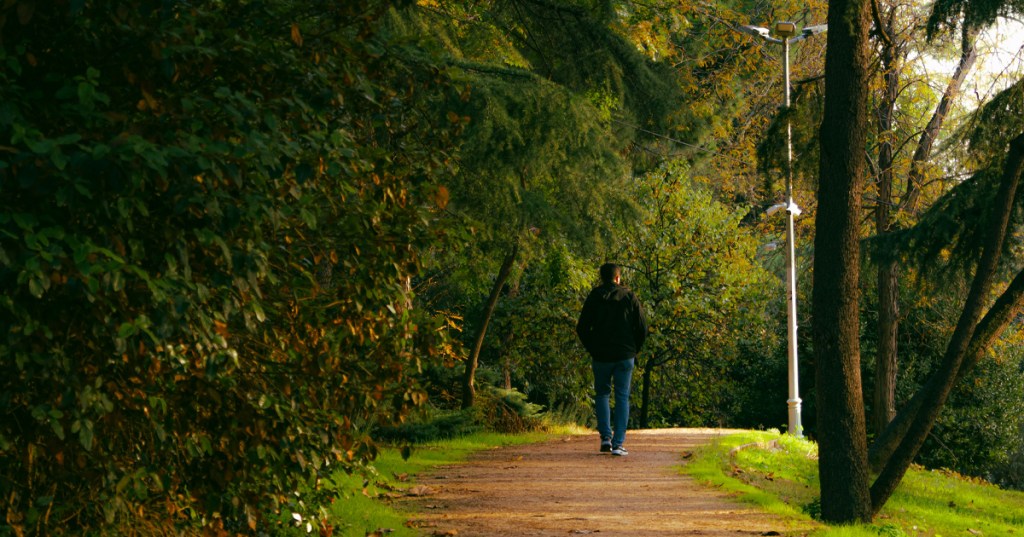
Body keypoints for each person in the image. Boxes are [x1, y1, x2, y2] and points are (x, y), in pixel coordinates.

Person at [575, 263, 648, 456]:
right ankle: (618, 444)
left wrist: (593, 348)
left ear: (602, 278)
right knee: (622, 396)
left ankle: (605, 438)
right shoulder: (630, 297)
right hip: (625, 355)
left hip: (601, 355)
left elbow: (582, 328)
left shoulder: (594, 297)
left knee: (602, 394)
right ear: (618, 278)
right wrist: (634, 350)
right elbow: (642, 328)